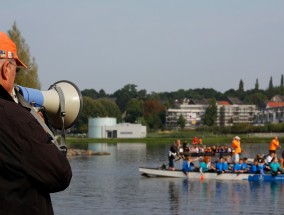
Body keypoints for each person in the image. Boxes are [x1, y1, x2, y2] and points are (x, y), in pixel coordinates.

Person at [0, 32, 72, 214]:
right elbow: (60, 175)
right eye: (16, 70)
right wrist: (37, 127)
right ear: (5, 69)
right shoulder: (15, 118)